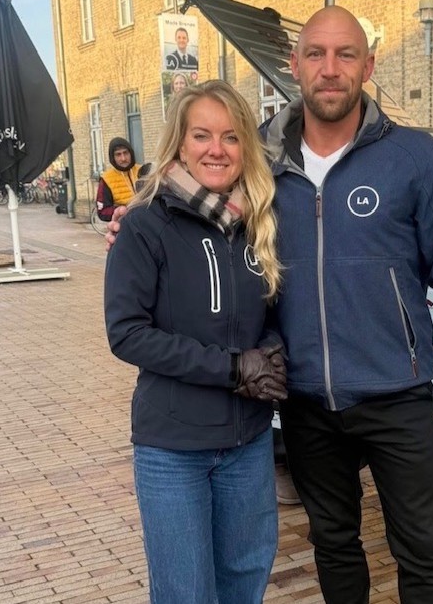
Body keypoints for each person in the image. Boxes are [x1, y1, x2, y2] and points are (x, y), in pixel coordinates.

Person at [109, 6, 433, 604]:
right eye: (315, 53)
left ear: (369, 66)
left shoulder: (415, 157)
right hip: (305, 400)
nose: (330, 68)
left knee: (423, 550)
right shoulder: (259, 162)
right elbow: (188, 207)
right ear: (294, 65)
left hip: (397, 392)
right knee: (334, 544)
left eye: (346, 54)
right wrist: (132, 222)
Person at [104, 80, 286, 604]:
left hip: (248, 443)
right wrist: (231, 368)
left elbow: (272, 314)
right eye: (202, 135)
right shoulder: (145, 224)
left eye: (231, 137)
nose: (216, 149)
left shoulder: (259, 222)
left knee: (245, 581)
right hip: (173, 449)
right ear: (180, 144)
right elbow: (127, 333)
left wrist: (270, 350)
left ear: (246, 146)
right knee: (186, 593)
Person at [96, 138, 148, 221]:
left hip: (149, 220)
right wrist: (123, 211)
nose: (123, 158)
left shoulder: (143, 170)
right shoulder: (106, 179)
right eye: (118, 154)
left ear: (131, 153)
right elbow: (103, 211)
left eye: (126, 153)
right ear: (113, 157)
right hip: (125, 224)